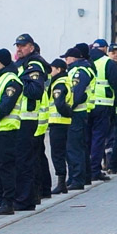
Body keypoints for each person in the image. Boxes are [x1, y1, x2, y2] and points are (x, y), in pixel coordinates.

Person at [0, 49, 22, 215]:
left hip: (7, 130)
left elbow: (5, 106)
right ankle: (2, 199)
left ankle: (9, 202)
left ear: (3, 62)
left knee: (5, 167)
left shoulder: (12, 80)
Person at [64, 44, 95, 190]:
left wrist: (67, 109)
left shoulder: (79, 71)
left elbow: (76, 93)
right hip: (80, 113)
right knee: (80, 146)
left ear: (72, 58)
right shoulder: (83, 68)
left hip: (76, 113)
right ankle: (83, 177)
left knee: (74, 147)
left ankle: (77, 179)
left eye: (66, 58)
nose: (65, 61)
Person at [47, 59, 72, 194]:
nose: (50, 72)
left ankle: (61, 183)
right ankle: (62, 182)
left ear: (59, 69)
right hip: (62, 122)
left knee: (57, 153)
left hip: (58, 122)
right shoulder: (64, 81)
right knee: (61, 152)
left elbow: (60, 104)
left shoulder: (59, 84)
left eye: (52, 69)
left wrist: (68, 113)